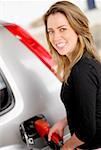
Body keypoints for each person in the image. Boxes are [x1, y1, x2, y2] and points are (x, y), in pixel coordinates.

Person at [43, 1, 101, 150]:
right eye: (51, 31)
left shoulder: (82, 70)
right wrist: (64, 122)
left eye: (62, 29)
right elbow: (89, 107)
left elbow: (87, 131)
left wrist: (67, 147)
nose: (56, 38)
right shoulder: (83, 63)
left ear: (78, 29)